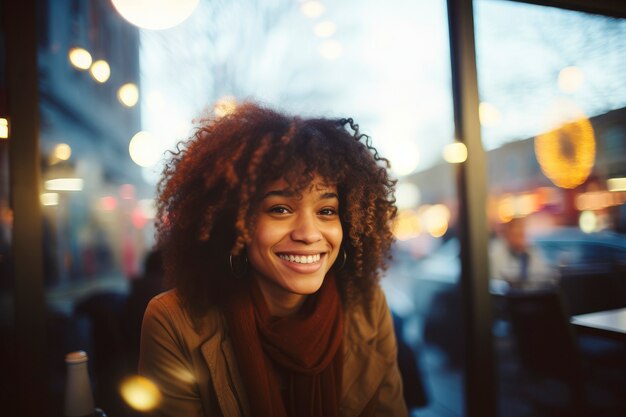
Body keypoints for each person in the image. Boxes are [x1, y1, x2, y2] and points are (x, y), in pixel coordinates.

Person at [139, 102, 408, 417]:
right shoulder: (172, 322)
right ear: (234, 222)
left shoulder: (368, 306)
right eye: (280, 209)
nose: (309, 234)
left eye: (326, 211)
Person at [489, 216, 558, 292]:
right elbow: (496, 282)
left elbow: (544, 274)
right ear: (507, 235)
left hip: (531, 296)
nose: (521, 239)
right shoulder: (496, 252)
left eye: (522, 234)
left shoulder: (531, 250)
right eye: (517, 234)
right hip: (507, 298)